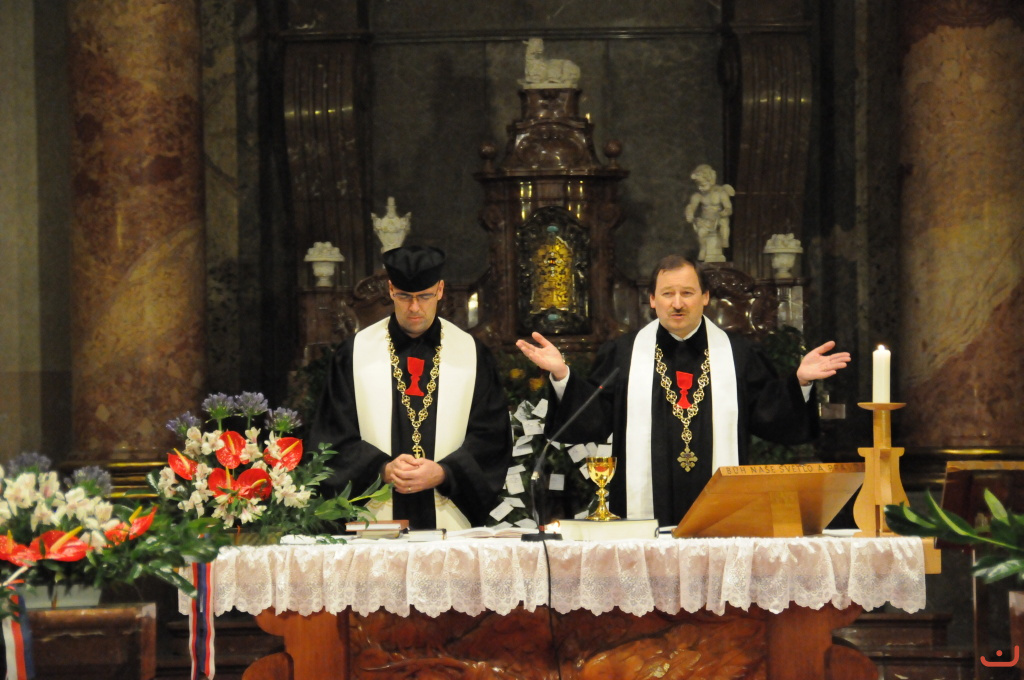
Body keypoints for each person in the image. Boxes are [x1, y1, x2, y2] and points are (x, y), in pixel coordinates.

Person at [516, 254, 850, 526]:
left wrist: (799, 382)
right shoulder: (623, 353)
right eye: (667, 294)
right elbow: (595, 418)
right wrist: (562, 375)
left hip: (722, 509)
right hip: (640, 509)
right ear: (652, 299)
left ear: (705, 297)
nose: (677, 303)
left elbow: (770, 414)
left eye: (687, 293)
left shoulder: (739, 353)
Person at [310, 245, 512, 530]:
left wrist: (446, 473)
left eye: (424, 296)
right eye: (405, 296)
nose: (414, 308)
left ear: (440, 290)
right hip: (373, 521)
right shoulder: (353, 354)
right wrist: (381, 469)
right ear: (391, 290)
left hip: (450, 518)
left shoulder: (472, 354)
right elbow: (332, 437)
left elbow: (491, 436)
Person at [684, 165, 735, 263]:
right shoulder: (698, 196)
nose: (701, 188)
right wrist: (689, 213)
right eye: (698, 186)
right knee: (701, 233)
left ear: (710, 181)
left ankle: (724, 240)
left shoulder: (720, 193)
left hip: (718, 218)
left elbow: (728, 208)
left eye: (703, 185)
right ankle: (703, 248)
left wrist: (725, 212)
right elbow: (691, 206)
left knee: (724, 222)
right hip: (705, 221)